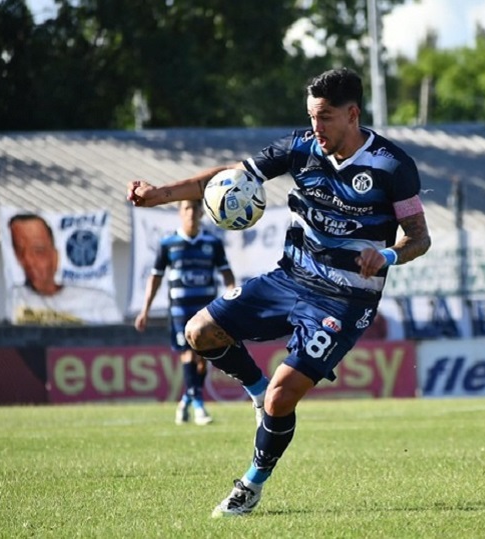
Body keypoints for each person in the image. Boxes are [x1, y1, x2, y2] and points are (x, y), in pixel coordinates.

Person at [127, 67, 431, 516]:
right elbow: (229, 177)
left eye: (325, 117)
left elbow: (418, 237)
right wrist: (159, 195)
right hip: (290, 278)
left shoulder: (392, 165)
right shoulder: (299, 148)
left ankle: (251, 484)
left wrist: (386, 257)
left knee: (282, 398)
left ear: (352, 114)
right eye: (311, 116)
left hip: (344, 300)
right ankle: (254, 387)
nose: (316, 128)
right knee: (201, 333)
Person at [134, 199, 235, 426]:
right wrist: (145, 310)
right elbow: (156, 277)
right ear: (180, 213)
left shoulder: (212, 242)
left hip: (206, 311)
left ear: (201, 213)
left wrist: (231, 295)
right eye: (186, 209)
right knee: (189, 354)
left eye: (194, 209)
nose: (190, 213)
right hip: (180, 310)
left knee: (203, 361)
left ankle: (186, 400)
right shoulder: (168, 243)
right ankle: (199, 406)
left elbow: (226, 273)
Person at [8, 213, 122, 325]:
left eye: (38, 251)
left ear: (55, 257)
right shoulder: (15, 298)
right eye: (20, 252)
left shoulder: (99, 302)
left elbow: (119, 338)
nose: (28, 261)